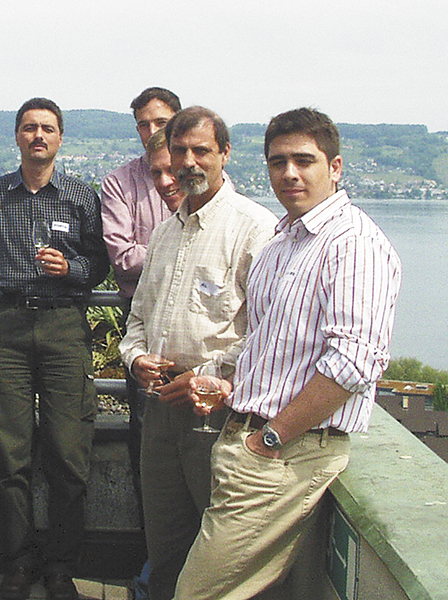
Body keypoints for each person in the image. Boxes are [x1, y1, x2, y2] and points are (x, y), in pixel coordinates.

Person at [174, 108, 401, 600]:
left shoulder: (354, 243)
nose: (290, 174)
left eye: (304, 160)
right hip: (250, 444)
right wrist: (227, 383)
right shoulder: (283, 241)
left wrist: (272, 439)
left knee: (195, 593)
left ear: (335, 167)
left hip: (285, 454)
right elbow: (268, 342)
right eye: (278, 162)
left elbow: (354, 363)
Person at [118, 106, 276, 600]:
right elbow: (138, 317)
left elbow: (270, 330)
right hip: (158, 404)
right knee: (165, 540)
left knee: (217, 550)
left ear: (225, 154)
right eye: (180, 150)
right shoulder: (164, 233)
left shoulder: (254, 227)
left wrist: (211, 372)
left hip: (217, 409)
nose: (189, 161)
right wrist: (135, 356)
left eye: (201, 150)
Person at [0, 98, 109, 600]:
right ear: (18, 136)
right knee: (10, 454)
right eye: (30, 128)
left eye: (47, 129)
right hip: (5, 329)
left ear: (60, 138)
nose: (38, 136)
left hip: (62, 328)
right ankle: (19, 564)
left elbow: (99, 268)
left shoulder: (80, 196)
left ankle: (61, 568)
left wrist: (69, 271)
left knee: (69, 453)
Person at [99, 87, 180, 535]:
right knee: (146, 437)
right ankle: (153, 551)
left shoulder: (200, 174)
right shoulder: (121, 181)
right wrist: (180, 253)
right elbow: (121, 258)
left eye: (160, 122)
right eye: (143, 124)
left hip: (200, 323)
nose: (151, 131)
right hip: (143, 319)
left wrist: (154, 254)